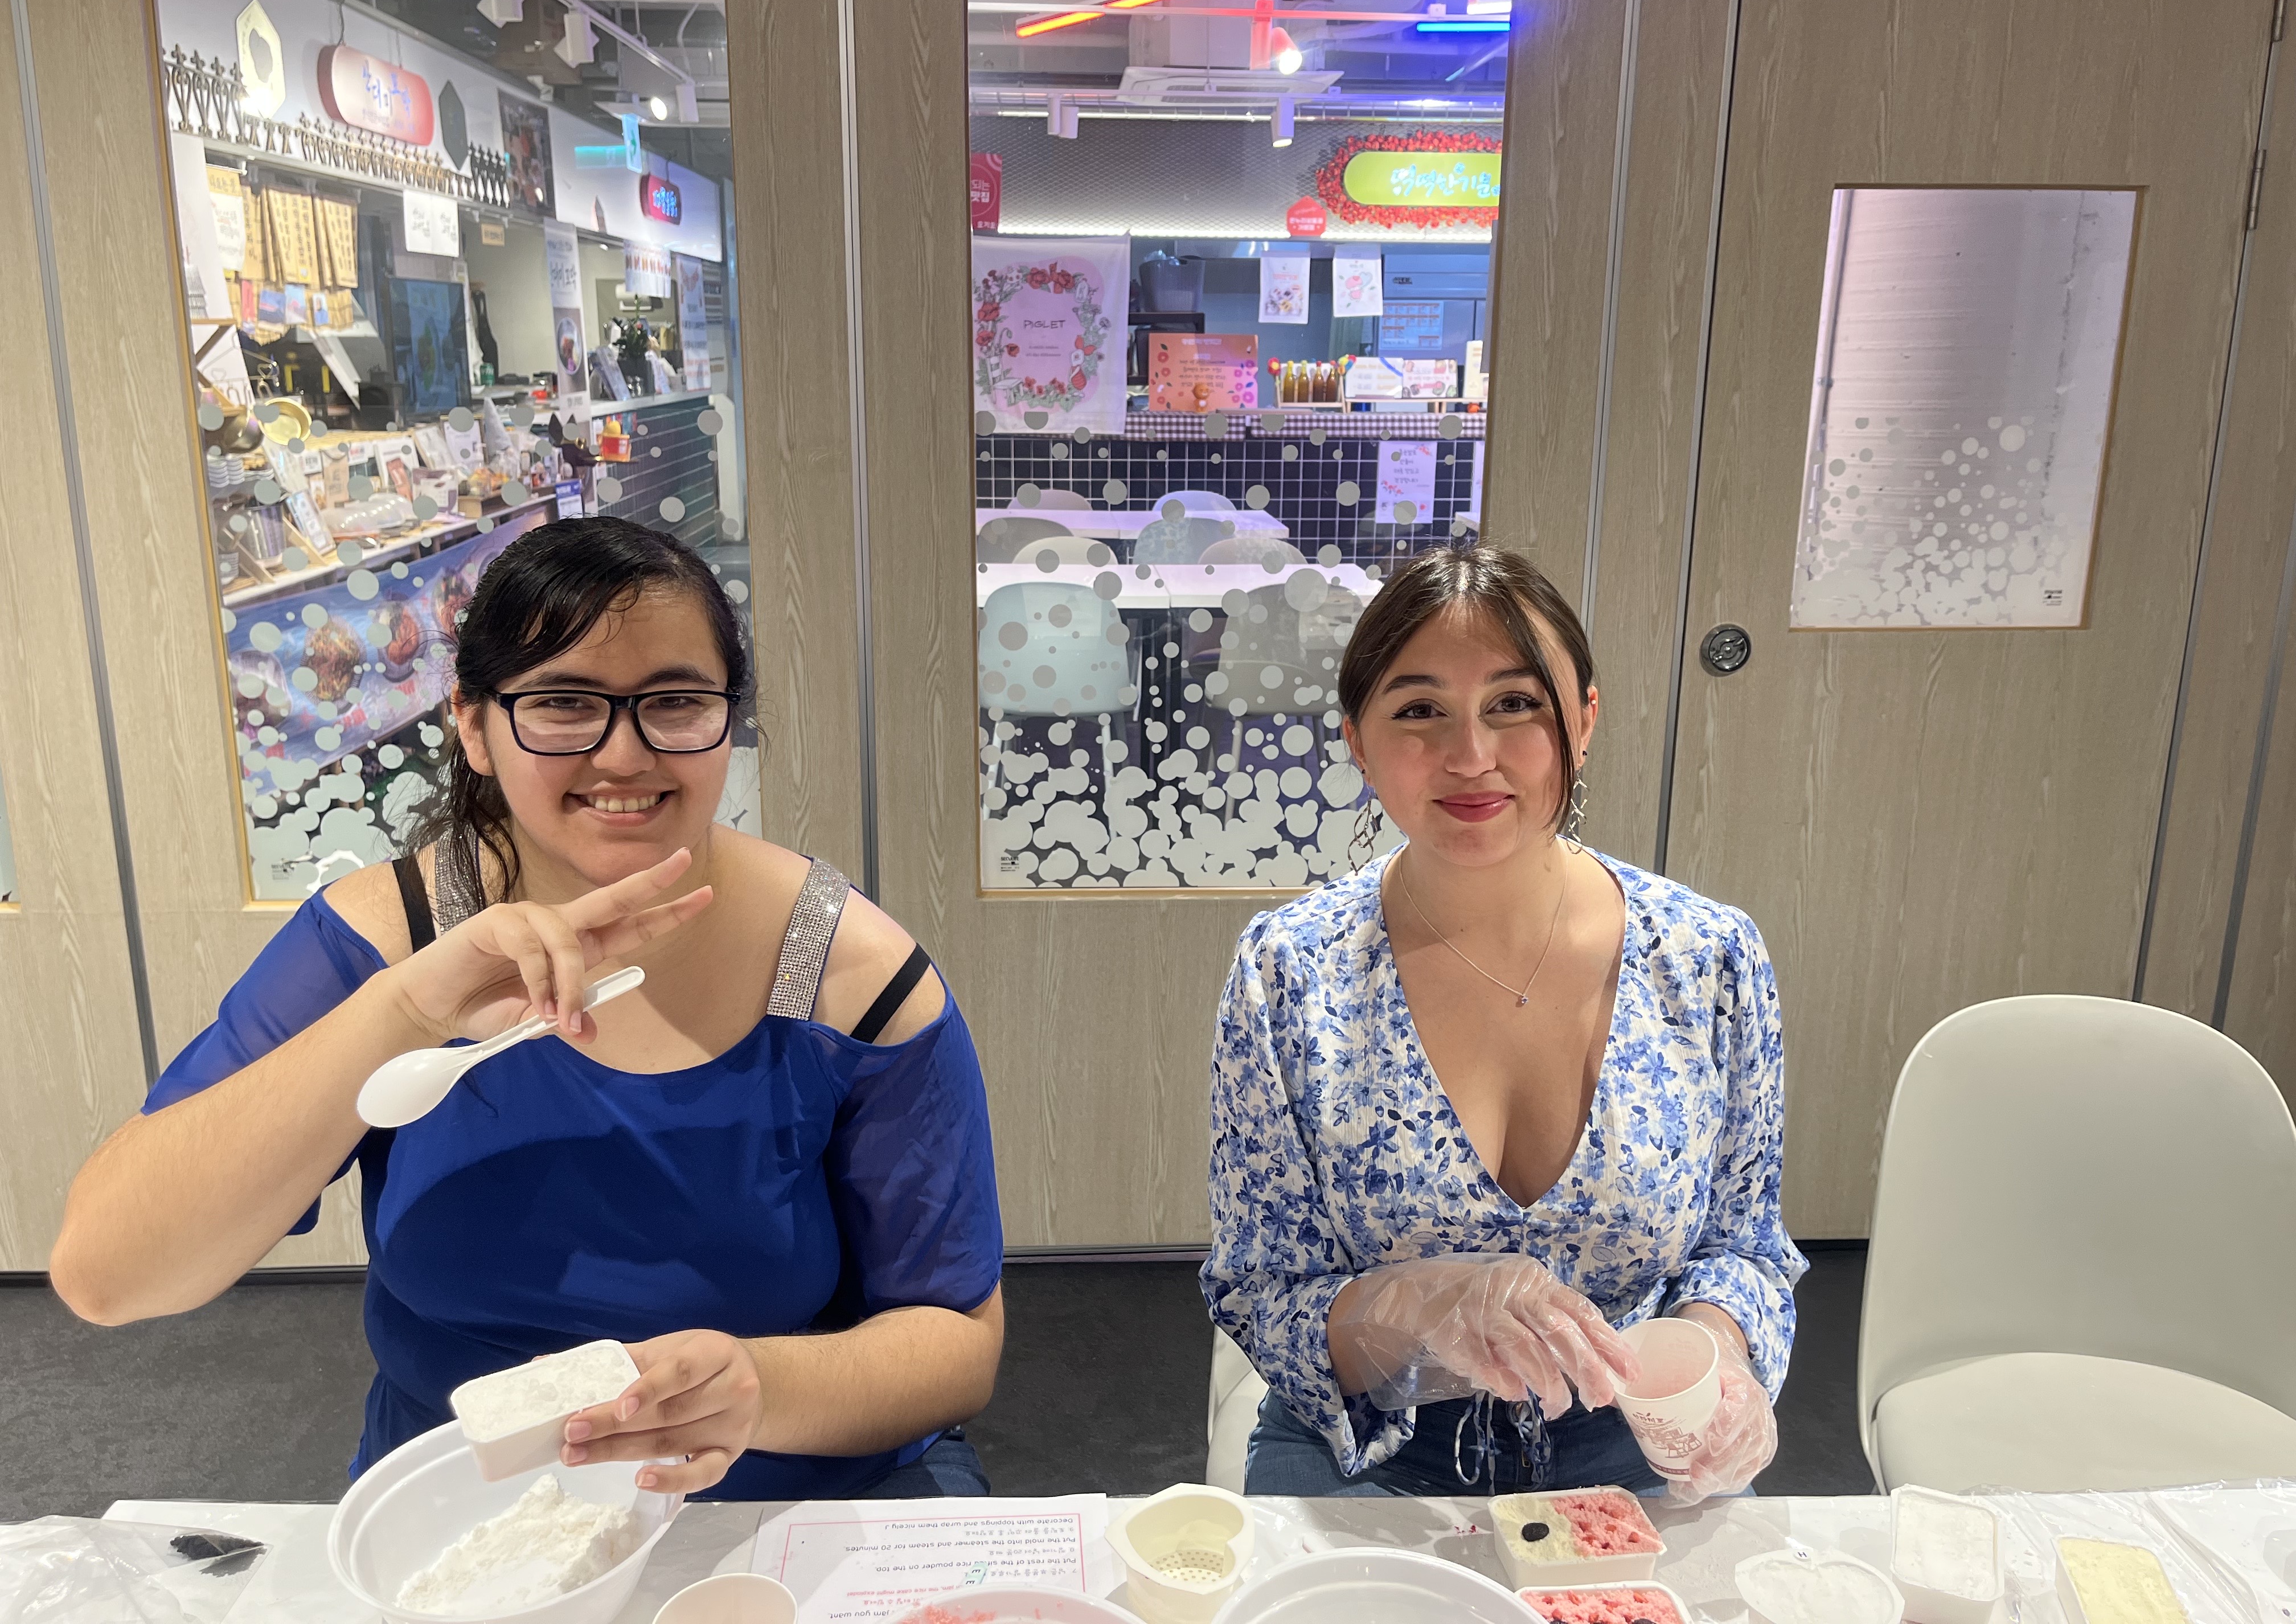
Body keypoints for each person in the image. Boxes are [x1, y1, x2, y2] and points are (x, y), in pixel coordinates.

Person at [51, 516, 1004, 1501]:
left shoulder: (849, 973)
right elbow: (108, 1274)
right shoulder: (381, 941)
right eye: (562, 704)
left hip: (779, 1507)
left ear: (729, 720)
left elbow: (957, 1337)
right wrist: (406, 1009)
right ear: (473, 727)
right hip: (465, 1514)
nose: (624, 756)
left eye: (676, 703)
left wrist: (762, 1388)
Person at [1202, 543, 1805, 1499]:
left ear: (1585, 720)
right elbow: (1262, 1290)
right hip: (1374, 1448)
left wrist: (1719, 1352)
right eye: (1419, 711)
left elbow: (1743, 1247)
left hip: (1640, 1450)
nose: (1471, 755)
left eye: (1516, 703)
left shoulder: (1708, 959)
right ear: (1358, 743)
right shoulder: (1291, 972)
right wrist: (1413, 1310)